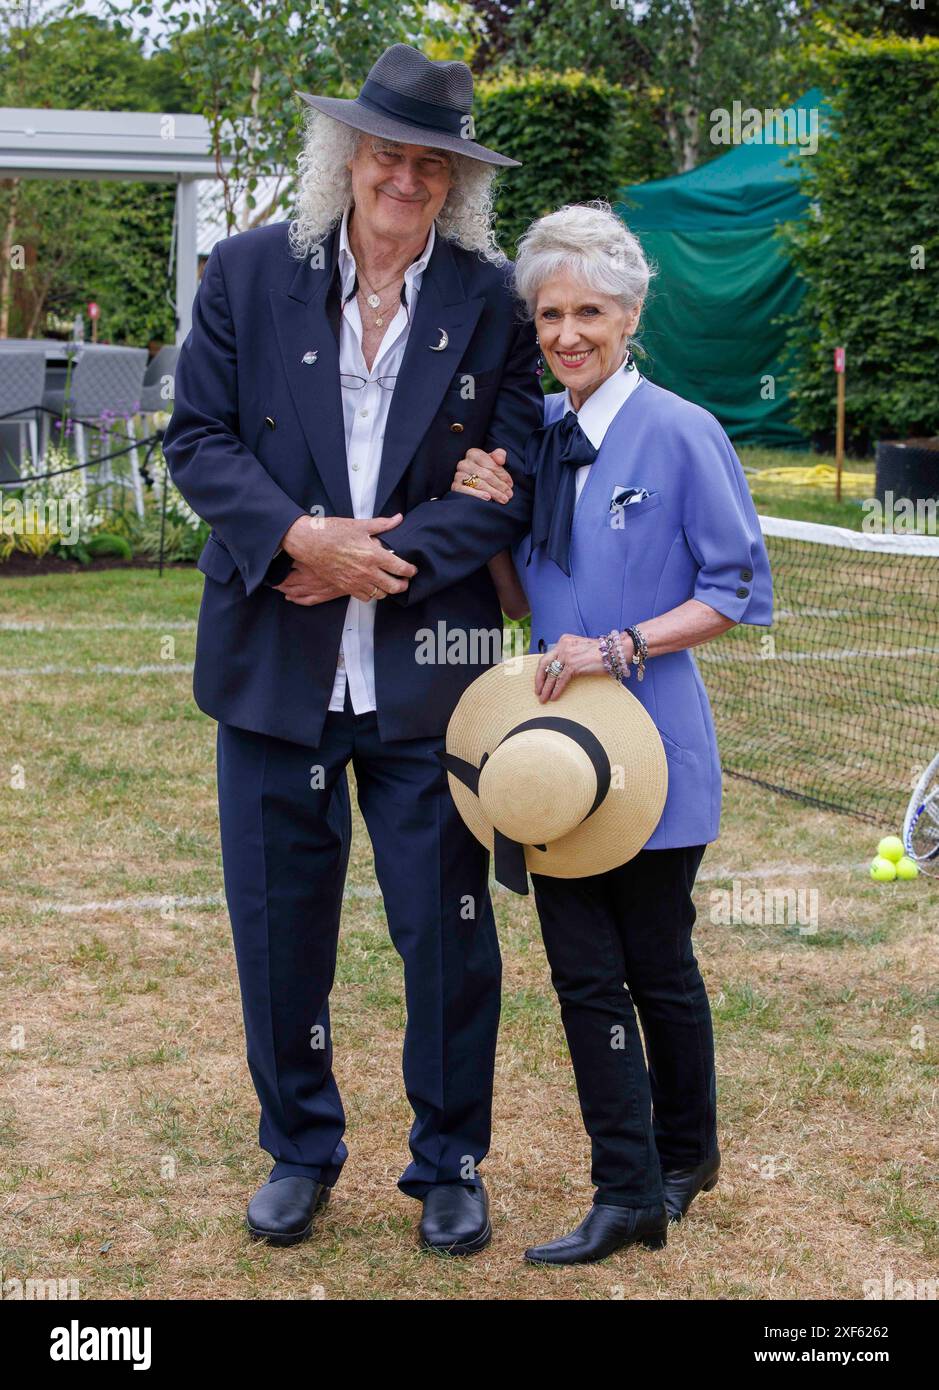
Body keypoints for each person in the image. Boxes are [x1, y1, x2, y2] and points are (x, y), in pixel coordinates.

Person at [163, 44, 543, 1255]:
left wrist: (386, 557)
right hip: (277, 664)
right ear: (349, 156)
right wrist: (297, 539)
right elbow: (199, 442)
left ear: (455, 183)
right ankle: (300, 1147)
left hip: (434, 679)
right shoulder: (247, 271)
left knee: (447, 932)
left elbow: (512, 473)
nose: (406, 178)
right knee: (279, 929)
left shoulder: (490, 303)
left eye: (433, 164)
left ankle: (449, 1161)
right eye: (389, 153)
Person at [449, 200, 774, 1265]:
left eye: (589, 309)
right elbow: (521, 597)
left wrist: (621, 645)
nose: (567, 333)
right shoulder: (534, 432)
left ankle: (687, 1154)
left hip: (653, 752)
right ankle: (628, 1185)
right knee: (584, 973)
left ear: (630, 313)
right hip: (553, 759)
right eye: (550, 314)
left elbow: (736, 589)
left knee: (659, 966)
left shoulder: (683, 431)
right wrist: (491, 510)